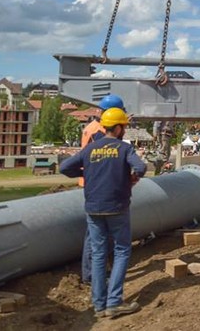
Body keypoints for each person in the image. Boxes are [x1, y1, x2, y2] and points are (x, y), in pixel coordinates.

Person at [60, 107, 146, 319]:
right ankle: (114, 302)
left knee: (98, 254)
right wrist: (132, 177)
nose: (124, 130)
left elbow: (64, 167)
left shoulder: (91, 149)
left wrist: (86, 171)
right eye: (123, 126)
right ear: (117, 128)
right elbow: (141, 167)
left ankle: (99, 305)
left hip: (93, 208)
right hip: (117, 208)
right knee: (122, 251)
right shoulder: (124, 149)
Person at [79, 94, 127, 284]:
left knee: (99, 232)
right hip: (98, 185)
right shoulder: (99, 132)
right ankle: (91, 275)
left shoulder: (94, 127)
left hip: (92, 182)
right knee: (95, 235)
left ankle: (98, 271)